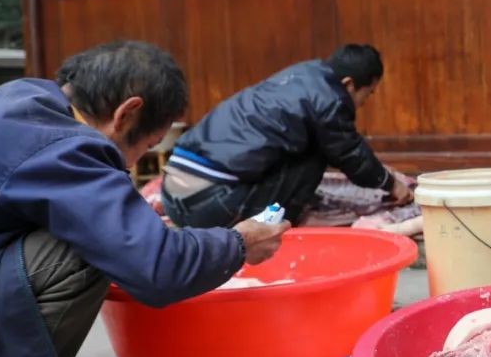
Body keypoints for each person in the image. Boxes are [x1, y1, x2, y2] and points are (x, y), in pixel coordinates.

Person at [0, 41, 289, 357]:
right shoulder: (67, 146)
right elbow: (157, 270)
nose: (132, 164)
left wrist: (130, 225)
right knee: (83, 250)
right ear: (126, 113)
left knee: (101, 236)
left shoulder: (22, 101)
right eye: (143, 148)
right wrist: (240, 242)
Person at [161, 44, 413, 229]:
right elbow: (352, 156)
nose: (364, 103)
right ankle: (283, 220)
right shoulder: (328, 99)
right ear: (348, 84)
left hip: (174, 198)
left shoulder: (304, 74)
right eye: (367, 94)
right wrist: (392, 184)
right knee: (318, 149)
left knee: (305, 143)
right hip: (210, 205)